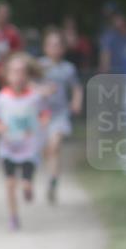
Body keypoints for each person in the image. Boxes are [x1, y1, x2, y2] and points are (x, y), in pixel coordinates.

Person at [0, 53, 51, 230]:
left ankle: (28, 188)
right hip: (8, 148)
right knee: (10, 183)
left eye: (22, 72)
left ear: (28, 75)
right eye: (14, 72)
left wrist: (42, 124)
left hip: (29, 148)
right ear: (6, 75)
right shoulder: (0, 99)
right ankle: (13, 216)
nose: (18, 77)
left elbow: (44, 114)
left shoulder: (35, 98)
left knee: (25, 183)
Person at [38, 28, 82, 204]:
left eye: (57, 45)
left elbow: (76, 88)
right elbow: (30, 85)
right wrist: (42, 91)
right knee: (47, 150)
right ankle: (51, 173)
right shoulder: (39, 66)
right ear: (45, 47)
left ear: (63, 48)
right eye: (51, 45)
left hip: (60, 113)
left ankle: (53, 182)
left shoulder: (68, 68)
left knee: (55, 146)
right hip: (41, 114)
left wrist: (76, 102)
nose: (54, 48)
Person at [98, 9, 126, 74]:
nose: (116, 21)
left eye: (118, 18)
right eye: (114, 19)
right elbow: (105, 54)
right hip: (114, 73)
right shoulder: (108, 36)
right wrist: (105, 69)